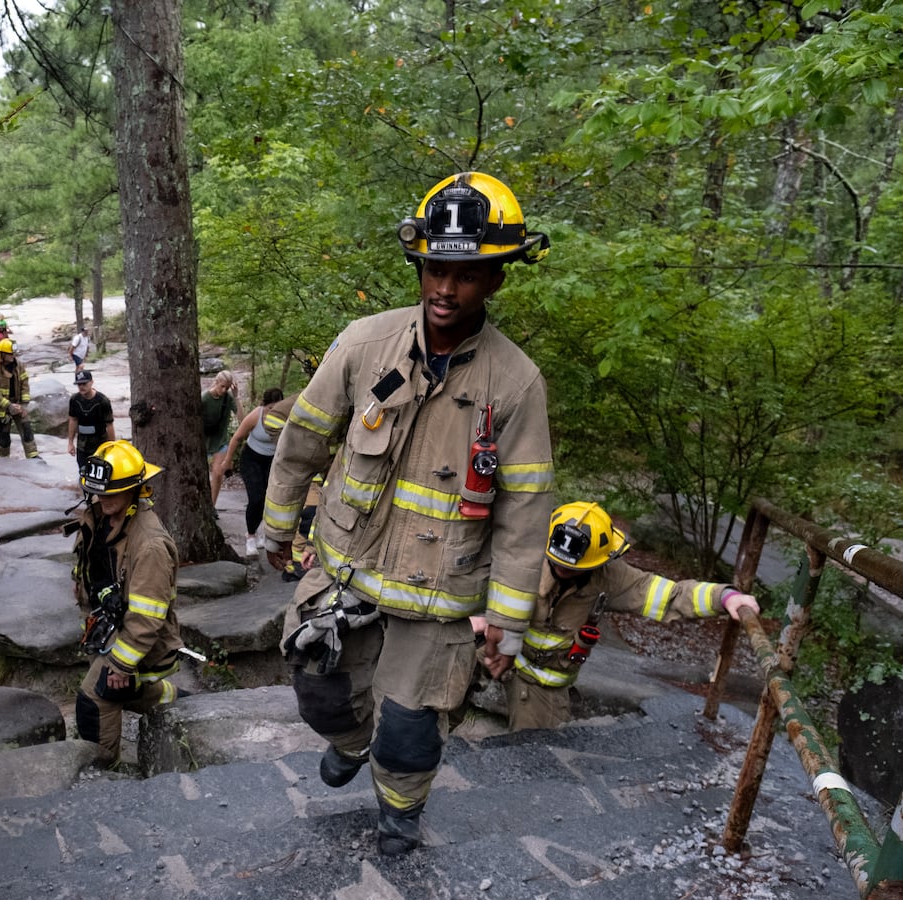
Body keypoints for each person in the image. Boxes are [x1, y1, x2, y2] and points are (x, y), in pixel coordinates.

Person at [263, 171, 554, 856]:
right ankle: (348, 743)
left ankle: (399, 810)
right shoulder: (364, 347)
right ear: (420, 262)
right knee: (318, 691)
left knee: (412, 730)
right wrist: (276, 527)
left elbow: (525, 512)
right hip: (343, 572)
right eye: (435, 268)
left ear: (497, 280)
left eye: (467, 274)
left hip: (440, 596)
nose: (445, 289)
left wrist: (507, 625)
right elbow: (302, 439)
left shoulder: (514, 385)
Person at [470, 501, 760, 731]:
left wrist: (725, 597)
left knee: (535, 760)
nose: (562, 571)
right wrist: (480, 621)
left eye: (572, 568)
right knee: (442, 674)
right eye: (557, 563)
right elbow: (481, 577)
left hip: (542, 686)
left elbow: (669, 596)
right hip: (498, 645)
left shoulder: (612, 579)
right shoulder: (527, 553)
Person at [69, 441, 185, 764]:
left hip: (138, 643)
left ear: (136, 489)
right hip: (108, 630)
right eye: (97, 492)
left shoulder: (150, 546)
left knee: (96, 698)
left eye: (111, 492)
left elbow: (147, 617)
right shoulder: (100, 517)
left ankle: (105, 770)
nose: (102, 499)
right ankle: (174, 700)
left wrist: (121, 663)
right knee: (115, 688)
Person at [215, 388, 291, 557]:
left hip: (273, 461)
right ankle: (250, 536)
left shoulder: (286, 416)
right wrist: (227, 461)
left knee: (269, 499)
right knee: (256, 497)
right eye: (271, 408)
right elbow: (236, 438)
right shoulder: (257, 415)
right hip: (252, 459)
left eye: (277, 408)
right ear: (265, 405)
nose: (274, 412)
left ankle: (262, 532)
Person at [0, 338, 38, 458]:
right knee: (4, 435)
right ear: (2, 354)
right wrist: (8, 405)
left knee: (26, 429)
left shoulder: (19, 365)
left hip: (19, 405)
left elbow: (25, 383)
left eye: (14, 353)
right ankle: (3, 459)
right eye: (10, 353)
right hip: (2, 408)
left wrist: (24, 405)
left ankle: (33, 456)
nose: (13, 355)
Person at [201, 370, 243, 503]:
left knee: (218, 473)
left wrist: (236, 397)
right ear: (216, 382)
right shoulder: (204, 399)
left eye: (227, 387)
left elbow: (243, 420)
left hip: (220, 441)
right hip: (204, 442)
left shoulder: (228, 398)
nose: (224, 390)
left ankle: (212, 506)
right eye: (222, 386)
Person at [66, 370, 116, 468]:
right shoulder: (74, 400)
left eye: (84, 383)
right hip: (82, 445)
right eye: (79, 384)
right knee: (83, 471)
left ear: (91, 382)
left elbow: (109, 425)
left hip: (100, 444)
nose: (81, 387)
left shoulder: (102, 401)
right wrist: (70, 443)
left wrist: (112, 446)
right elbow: (73, 420)